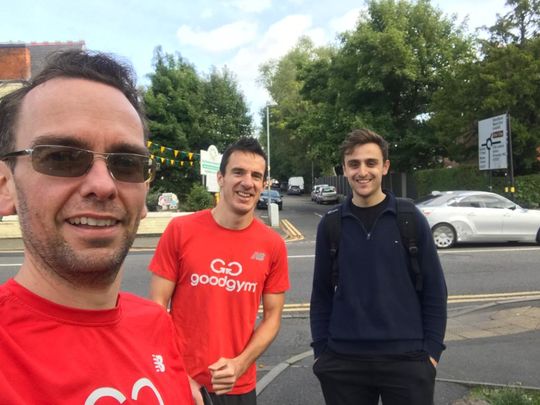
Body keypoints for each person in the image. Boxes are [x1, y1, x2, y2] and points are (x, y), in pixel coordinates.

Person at [0, 50, 193, 404]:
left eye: (128, 163)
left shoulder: (156, 324)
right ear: (5, 185)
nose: (103, 185)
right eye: (61, 156)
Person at [310, 128, 447, 405]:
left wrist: (430, 354)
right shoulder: (331, 223)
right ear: (345, 169)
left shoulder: (409, 218)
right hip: (343, 361)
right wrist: (321, 353)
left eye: (371, 163)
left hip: (407, 360)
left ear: (385, 167)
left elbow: (435, 290)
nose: (363, 171)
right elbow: (321, 294)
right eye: (354, 164)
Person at [149, 137, 290, 405]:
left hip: (238, 387)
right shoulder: (181, 231)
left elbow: (272, 317)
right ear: (221, 178)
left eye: (256, 176)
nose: (247, 182)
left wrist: (240, 364)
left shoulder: (272, 245)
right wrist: (178, 373)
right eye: (238, 172)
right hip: (182, 382)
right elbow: (157, 307)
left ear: (263, 184)